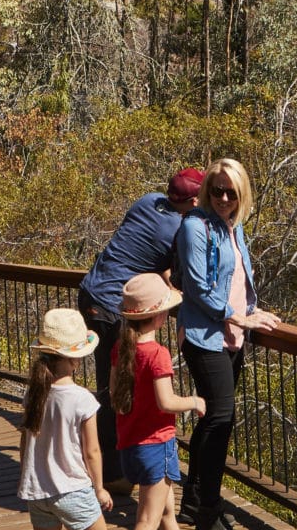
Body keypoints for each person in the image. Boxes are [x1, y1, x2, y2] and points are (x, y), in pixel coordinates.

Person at [15, 308, 145, 530]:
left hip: (39, 491)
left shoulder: (34, 394)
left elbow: (25, 443)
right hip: (72, 489)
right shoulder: (82, 399)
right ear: (74, 358)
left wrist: (24, 479)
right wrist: (100, 488)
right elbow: (92, 451)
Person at [173, 157, 281, 530]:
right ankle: (208, 518)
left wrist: (252, 313)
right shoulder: (195, 227)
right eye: (215, 190)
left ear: (241, 194)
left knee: (213, 421)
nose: (221, 197)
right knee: (220, 420)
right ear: (206, 191)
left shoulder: (233, 228)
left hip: (231, 335)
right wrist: (239, 317)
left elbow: (236, 281)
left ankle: (195, 502)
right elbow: (199, 288)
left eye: (230, 192)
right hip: (205, 336)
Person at [77, 168, 204, 481]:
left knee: (113, 385)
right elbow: (175, 275)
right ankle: (115, 472)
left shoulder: (147, 201)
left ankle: (116, 465)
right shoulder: (181, 229)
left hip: (90, 292)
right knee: (116, 389)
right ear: (194, 199)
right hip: (113, 306)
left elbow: (140, 250)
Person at [109, 273, 207, 530]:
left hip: (130, 444)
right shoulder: (158, 354)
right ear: (160, 315)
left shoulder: (121, 348)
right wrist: (194, 401)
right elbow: (167, 402)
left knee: (163, 509)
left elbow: (113, 394)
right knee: (147, 519)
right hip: (157, 445)